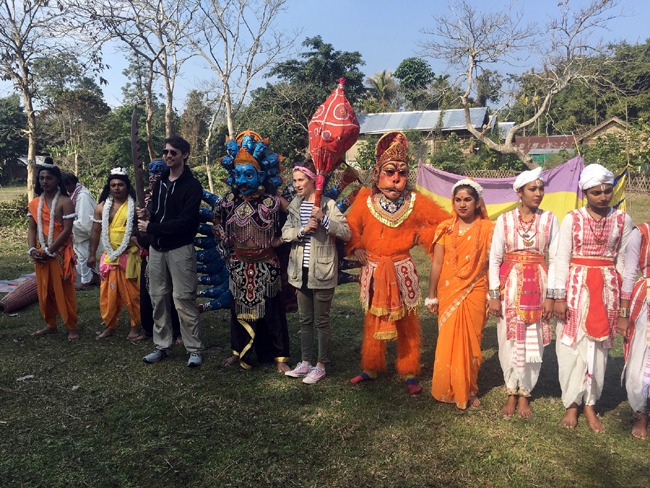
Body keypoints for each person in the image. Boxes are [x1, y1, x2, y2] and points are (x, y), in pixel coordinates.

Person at [346, 131, 449, 395]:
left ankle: (409, 370)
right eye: (390, 172)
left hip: (402, 269)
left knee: (407, 322)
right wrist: (357, 247)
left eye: (402, 173)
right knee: (372, 318)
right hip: (374, 268)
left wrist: (421, 236)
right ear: (377, 173)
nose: (395, 179)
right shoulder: (365, 200)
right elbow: (351, 227)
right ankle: (371, 366)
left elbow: (442, 224)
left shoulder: (416, 202)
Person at [554, 163, 633, 433]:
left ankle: (590, 403)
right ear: (585, 193)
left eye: (607, 191)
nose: (602, 197)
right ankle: (571, 403)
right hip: (576, 289)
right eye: (596, 192)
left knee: (598, 350)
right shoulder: (572, 219)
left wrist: (623, 305)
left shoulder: (622, 220)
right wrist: (559, 297)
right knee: (571, 347)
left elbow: (623, 262)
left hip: (607, 291)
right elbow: (561, 259)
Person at [213, 130, 291, 372]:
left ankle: (280, 357)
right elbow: (216, 218)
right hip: (239, 264)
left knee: (273, 312)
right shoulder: (229, 200)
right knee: (238, 311)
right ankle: (237, 351)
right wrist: (222, 235)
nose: (242, 180)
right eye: (237, 175)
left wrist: (281, 239)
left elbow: (296, 216)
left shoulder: (272, 201)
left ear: (261, 175)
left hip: (267, 265)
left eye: (248, 174)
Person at [488, 168, 559, 418]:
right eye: (532, 189)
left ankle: (525, 392)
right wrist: (493, 295)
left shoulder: (549, 219)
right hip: (509, 284)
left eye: (541, 188)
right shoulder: (505, 220)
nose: (538, 193)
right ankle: (511, 390)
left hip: (538, 284)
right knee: (508, 337)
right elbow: (494, 258)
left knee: (534, 338)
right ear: (519, 192)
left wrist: (552, 296)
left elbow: (557, 259)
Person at [281, 161, 351, 384]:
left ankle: (320, 365)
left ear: (313, 180)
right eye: (294, 180)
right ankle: (305, 362)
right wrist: (302, 230)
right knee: (304, 319)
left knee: (321, 321)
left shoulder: (328, 204)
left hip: (322, 270)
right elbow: (285, 233)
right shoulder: (295, 204)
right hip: (300, 271)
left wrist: (324, 220)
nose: (297, 184)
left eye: (301, 180)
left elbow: (346, 233)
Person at [427, 179, 494, 409]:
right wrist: (431, 294)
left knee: (472, 340)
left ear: (477, 203)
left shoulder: (489, 229)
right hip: (449, 289)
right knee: (448, 339)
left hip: (477, 289)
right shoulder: (444, 228)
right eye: (458, 200)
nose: (462, 204)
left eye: (467, 199)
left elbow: (493, 263)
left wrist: (494, 293)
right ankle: (446, 387)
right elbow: (437, 263)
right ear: (453, 201)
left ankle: (469, 389)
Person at [137, 135, 204, 368]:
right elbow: (158, 213)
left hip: (180, 248)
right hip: (157, 248)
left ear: (185, 155)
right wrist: (148, 215)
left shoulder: (192, 186)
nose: (168, 156)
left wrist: (151, 227)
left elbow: (185, 221)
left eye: (173, 152)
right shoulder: (161, 182)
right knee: (158, 297)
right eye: (165, 152)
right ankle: (162, 345)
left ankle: (194, 349)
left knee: (183, 298)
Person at [88, 167, 143, 340]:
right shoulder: (102, 207)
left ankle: (135, 326)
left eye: (120, 184)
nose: (117, 188)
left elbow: (142, 229)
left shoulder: (136, 206)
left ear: (127, 186)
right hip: (109, 256)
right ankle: (109, 325)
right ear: (109, 187)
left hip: (129, 255)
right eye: (113, 185)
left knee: (133, 294)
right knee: (108, 294)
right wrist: (91, 254)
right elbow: (95, 231)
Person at [27, 158, 79, 341]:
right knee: (45, 291)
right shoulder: (35, 203)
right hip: (42, 254)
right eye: (41, 178)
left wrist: (50, 250)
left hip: (60, 253)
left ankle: (71, 326)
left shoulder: (65, 202)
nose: (44, 181)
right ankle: (50, 323)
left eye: (49, 178)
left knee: (64, 291)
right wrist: (32, 249)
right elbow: (32, 229)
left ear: (57, 180)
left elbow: (67, 230)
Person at [137, 159, 181, 343]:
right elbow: (136, 223)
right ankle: (149, 329)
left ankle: (177, 331)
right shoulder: (144, 196)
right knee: (148, 293)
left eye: (159, 170)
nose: (154, 175)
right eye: (151, 171)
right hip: (147, 251)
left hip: (167, 247)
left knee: (172, 292)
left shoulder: (171, 192)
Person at [619, 219, 650, 440]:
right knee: (641, 356)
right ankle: (641, 412)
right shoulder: (641, 233)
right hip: (646, 299)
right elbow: (629, 273)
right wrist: (623, 313)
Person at [62, 172, 99, 290]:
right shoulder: (75, 194)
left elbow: (85, 221)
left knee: (83, 256)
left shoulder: (82, 196)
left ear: (71, 184)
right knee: (84, 255)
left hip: (85, 232)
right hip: (82, 230)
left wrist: (68, 226)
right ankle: (94, 277)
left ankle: (85, 282)